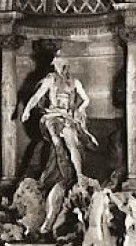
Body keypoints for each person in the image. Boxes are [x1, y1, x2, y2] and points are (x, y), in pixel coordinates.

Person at [21, 57, 96, 187]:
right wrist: (27, 110)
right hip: (52, 116)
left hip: (66, 117)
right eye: (57, 65)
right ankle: (64, 174)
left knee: (71, 142)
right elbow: (37, 97)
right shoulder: (51, 80)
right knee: (58, 143)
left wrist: (79, 109)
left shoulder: (74, 82)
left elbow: (86, 100)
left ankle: (79, 175)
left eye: (60, 65)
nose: (58, 68)